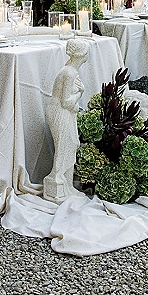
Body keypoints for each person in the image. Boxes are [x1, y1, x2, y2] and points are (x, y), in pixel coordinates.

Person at [43, 37, 90, 203]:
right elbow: (66, 102)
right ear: (80, 55)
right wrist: (81, 92)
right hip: (59, 111)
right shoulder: (69, 73)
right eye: (85, 52)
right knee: (65, 147)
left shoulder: (69, 69)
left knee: (72, 144)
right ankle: (55, 182)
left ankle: (67, 186)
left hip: (63, 111)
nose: (87, 55)